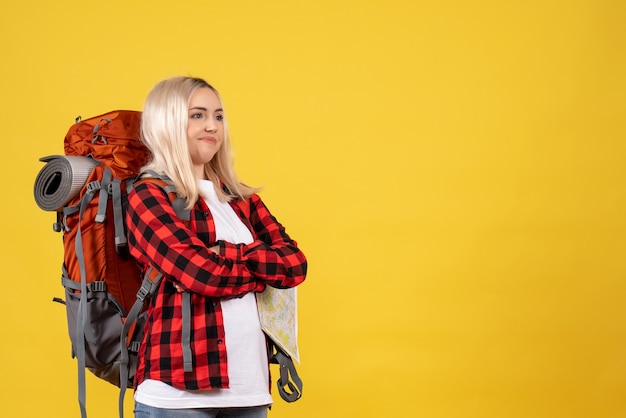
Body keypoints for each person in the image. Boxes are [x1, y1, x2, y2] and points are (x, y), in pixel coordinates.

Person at [125, 76, 307, 418]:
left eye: (218, 116)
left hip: (249, 394)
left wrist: (221, 254)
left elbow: (295, 265)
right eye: (198, 115)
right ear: (168, 121)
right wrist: (259, 270)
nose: (212, 126)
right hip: (177, 397)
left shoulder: (241, 198)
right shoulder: (148, 195)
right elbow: (201, 274)